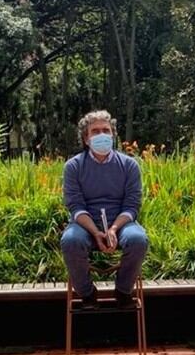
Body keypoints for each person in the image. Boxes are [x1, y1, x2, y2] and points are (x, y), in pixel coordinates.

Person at [60, 110, 148, 310]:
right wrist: (96, 232)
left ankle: (123, 290)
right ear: (86, 138)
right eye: (95, 131)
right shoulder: (73, 167)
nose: (101, 135)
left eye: (106, 131)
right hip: (85, 224)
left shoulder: (129, 166)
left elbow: (132, 204)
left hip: (122, 222)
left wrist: (114, 229)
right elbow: (75, 206)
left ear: (113, 135)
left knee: (138, 240)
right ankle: (87, 293)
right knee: (70, 241)